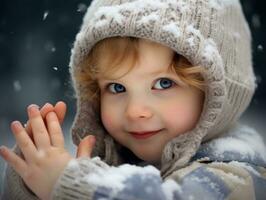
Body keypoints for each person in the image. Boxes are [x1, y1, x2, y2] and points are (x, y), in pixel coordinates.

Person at [1, 0, 266, 199]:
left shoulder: (236, 173)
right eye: (117, 87)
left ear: (217, 94)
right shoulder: (118, 161)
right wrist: (33, 181)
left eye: (164, 83)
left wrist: (71, 184)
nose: (135, 111)